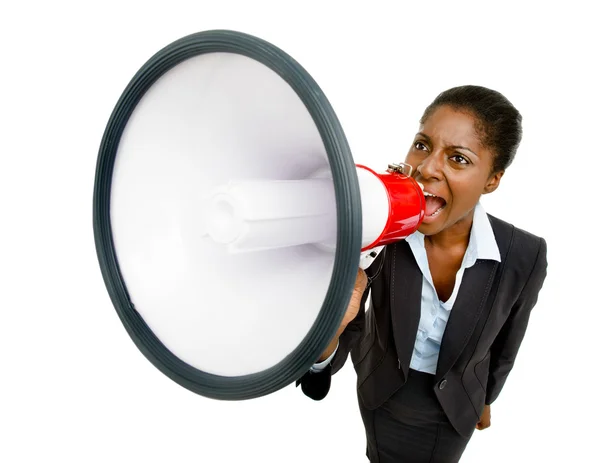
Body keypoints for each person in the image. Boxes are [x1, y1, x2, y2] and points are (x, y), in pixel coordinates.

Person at [296, 85, 548, 462]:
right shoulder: (377, 230)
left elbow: (507, 343)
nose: (428, 168)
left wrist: (485, 398)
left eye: (459, 159)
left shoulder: (525, 254)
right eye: (422, 145)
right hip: (381, 394)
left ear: (492, 180)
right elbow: (324, 368)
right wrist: (333, 321)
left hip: (455, 409)